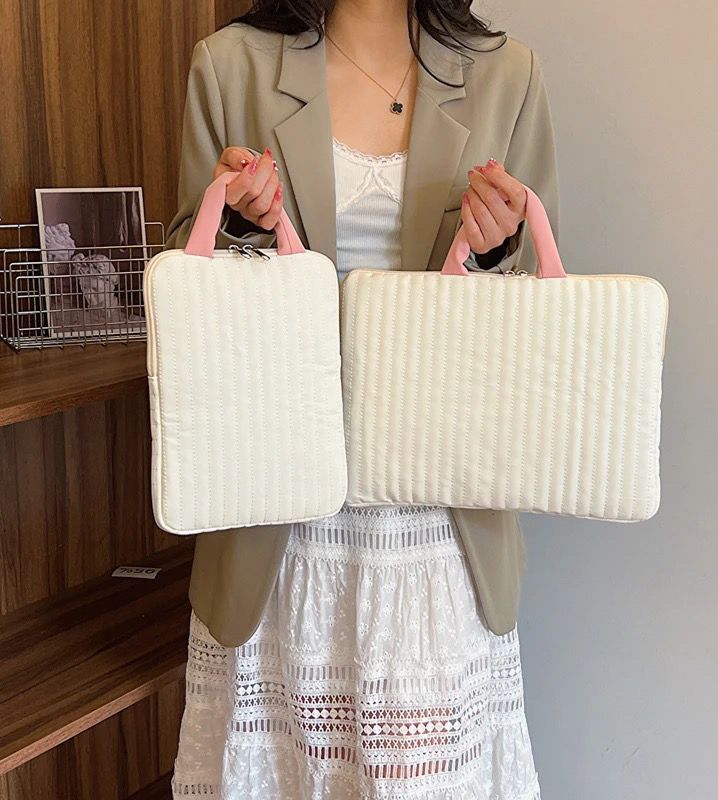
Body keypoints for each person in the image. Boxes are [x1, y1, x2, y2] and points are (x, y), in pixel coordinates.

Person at [165, 1, 560, 797]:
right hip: (276, 514)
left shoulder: (506, 73)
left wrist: (496, 250)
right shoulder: (231, 65)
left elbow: (536, 308)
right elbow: (186, 273)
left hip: (437, 525)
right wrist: (244, 228)